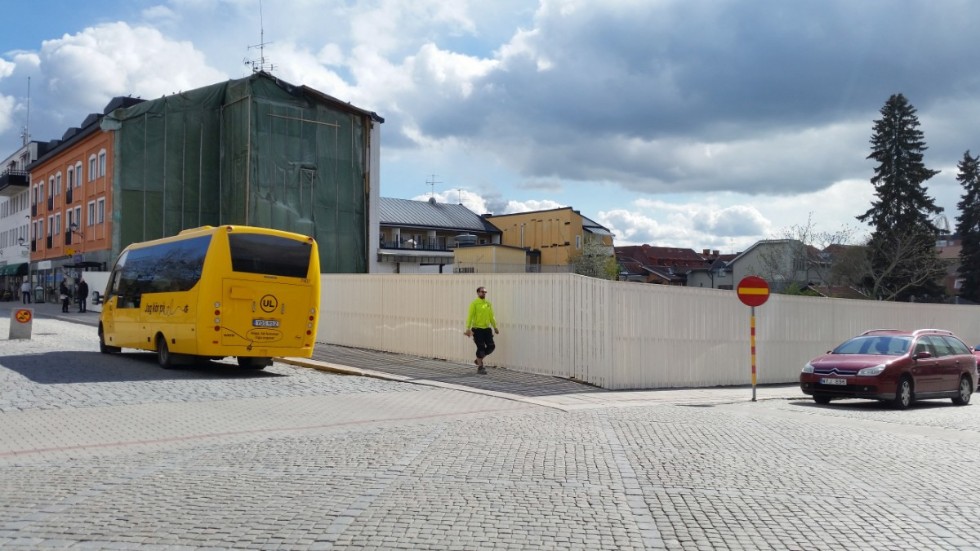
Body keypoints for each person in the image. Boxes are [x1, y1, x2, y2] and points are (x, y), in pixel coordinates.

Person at [464, 286, 499, 375]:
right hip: (477, 329)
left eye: (485, 292)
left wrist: (495, 327)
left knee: (491, 347)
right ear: (478, 293)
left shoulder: (488, 303)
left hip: (487, 329)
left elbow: (492, 316)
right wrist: (468, 328)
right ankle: (480, 367)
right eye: (482, 292)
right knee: (481, 348)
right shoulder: (474, 304)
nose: (484, 293)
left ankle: (478, 359)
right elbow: (470, 316)